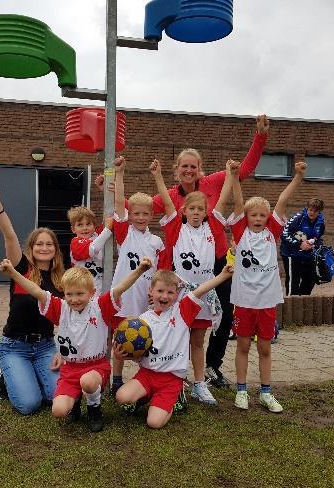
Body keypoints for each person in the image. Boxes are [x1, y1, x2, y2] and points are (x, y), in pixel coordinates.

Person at [96, 114, 271, 389]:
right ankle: (173, 368)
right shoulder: (168, 200)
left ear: (200, 169)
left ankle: (211, 366)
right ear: (176, 170)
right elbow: (136, 208)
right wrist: (112, 187)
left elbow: (245, 170)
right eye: (184, 166)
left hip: (216, 264)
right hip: (184, 270)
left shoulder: (214, 183)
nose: (189, 170)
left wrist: (260, 136)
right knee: (181, 318)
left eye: (193, 166)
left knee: (222, 314)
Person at [0, 256, 153, 432]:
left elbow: (120, 288)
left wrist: (140, 269)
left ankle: (94, 409)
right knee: (58, 411)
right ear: (64, 293)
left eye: (80, 294)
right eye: (69, 294)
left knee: (87, 381)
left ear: (92, 292)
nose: (74, 299)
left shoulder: (100, 307)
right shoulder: (61, 309)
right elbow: (35, 290)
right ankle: (76, 402)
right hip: (70, 369)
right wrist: (13, 272)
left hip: (96, 367)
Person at [214, 159, 307, 412]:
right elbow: (237, 202)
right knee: (243, 345)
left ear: (268, 219)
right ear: (246, 218)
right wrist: (233, 176)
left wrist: (297, 177)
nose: (258, 218)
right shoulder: (241, 231)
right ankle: (241, 391)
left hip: (266, 300)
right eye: (253, 215)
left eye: (262, 215)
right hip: (244, 300)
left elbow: (282, 202)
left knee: (265, 347)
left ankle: (266, 392)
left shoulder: (272, 232)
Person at [150, 158, 234, 405]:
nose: (196, 213)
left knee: (198, 341)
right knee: (174, 339)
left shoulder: (214, 228)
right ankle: (172, 382)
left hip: (205, 295)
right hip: (181, 295)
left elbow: (224, 199)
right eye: (191, 209)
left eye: (201, 209)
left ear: (206, 212)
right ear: (183, 211)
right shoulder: (176, 227)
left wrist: (230, 175)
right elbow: (166, 201)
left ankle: (199, 383)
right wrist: (157, 176)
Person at [0, 168, 65, 415]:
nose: (44, 247)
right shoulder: (21, 267)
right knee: (29, 405)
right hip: (14, 345)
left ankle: (29, 375)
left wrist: (64, 350)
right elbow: (9, 234)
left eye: (49, 244)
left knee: (55, 398)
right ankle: (6, 379)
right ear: (31, 247)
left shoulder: (62, 278)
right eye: (39, 243)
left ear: (55, 249)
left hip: (45, 346)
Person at [114, 265, 234, 429]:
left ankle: (177, 397)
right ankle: (147, 396)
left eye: (170, 292)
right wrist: (123, 356)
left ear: (176, 294)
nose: (164, 296)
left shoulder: (182, 311)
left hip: (171, 380)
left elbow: (200, 290)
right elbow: (140, 356)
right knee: (121, 396)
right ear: (151, 292)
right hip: (147, 375)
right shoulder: (141, 322)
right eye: (160, 291)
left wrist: (222, 276)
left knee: (154, 423)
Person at [110, 156, 165, 395]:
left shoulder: (156, 242)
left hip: (145, 300)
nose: (140, 217)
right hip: (124, 300)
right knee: (121, 342)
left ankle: (146, 378)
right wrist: (120, 174)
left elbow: (159, 273)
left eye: (145, 214)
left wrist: (157, 294)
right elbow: (119, 203)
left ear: (151, 215)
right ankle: (116, 379)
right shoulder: (124, 233)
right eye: (136, 213)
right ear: (130, 214)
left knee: (145, 340)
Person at [280, 198, 326, 296]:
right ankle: (292, 304)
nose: (312, 213)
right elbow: (284, 234)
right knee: (293, 281)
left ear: (319, 211)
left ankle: (301, 302)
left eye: (315, 211)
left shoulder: (321, 223)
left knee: (310, 279)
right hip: (291, 253)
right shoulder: (298, 218)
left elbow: (318, 238)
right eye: (310, 210)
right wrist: (299, 244)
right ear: (307, 208)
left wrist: (314, 245)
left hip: (308, 254)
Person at [67, 206, 114, 297]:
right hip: (82, 290)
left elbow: (110, 219)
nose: (85, 228)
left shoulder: (97, 237)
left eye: (88, 224)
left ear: (94, 226)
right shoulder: (75, 242)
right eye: (80, 225)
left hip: (101, 288)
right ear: (73, 229)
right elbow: (92, 249)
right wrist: (107, 229)